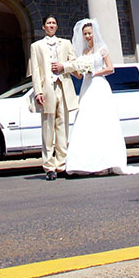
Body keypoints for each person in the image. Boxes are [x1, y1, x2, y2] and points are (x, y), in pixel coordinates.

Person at [65, 18, 139, 176]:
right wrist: (70, 67)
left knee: (103, 120)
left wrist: (94, 72)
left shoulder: (102, 49)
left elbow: (111, 68)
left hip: (99, 86)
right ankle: (86, 163)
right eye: (85, 34)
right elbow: (79, 76)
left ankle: (106, 161)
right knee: (87, 121)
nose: (87, 36)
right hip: (87, 87)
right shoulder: (83, 53)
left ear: (94, 33)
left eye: (89, 33)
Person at [29, 15, 80, 180]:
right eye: (48, 23)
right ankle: (49, 166)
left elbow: (74, 62)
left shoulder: (65, 43)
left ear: (56, 26)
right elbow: (36, 70)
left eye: (54, 23)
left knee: (62, 127)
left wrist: (63, 66)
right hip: (47, 89)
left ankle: (61, 164)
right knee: (47, 129)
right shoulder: (36, 46)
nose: (51, 25)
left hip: (63, 87)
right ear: (43, 27)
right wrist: (38, 91)